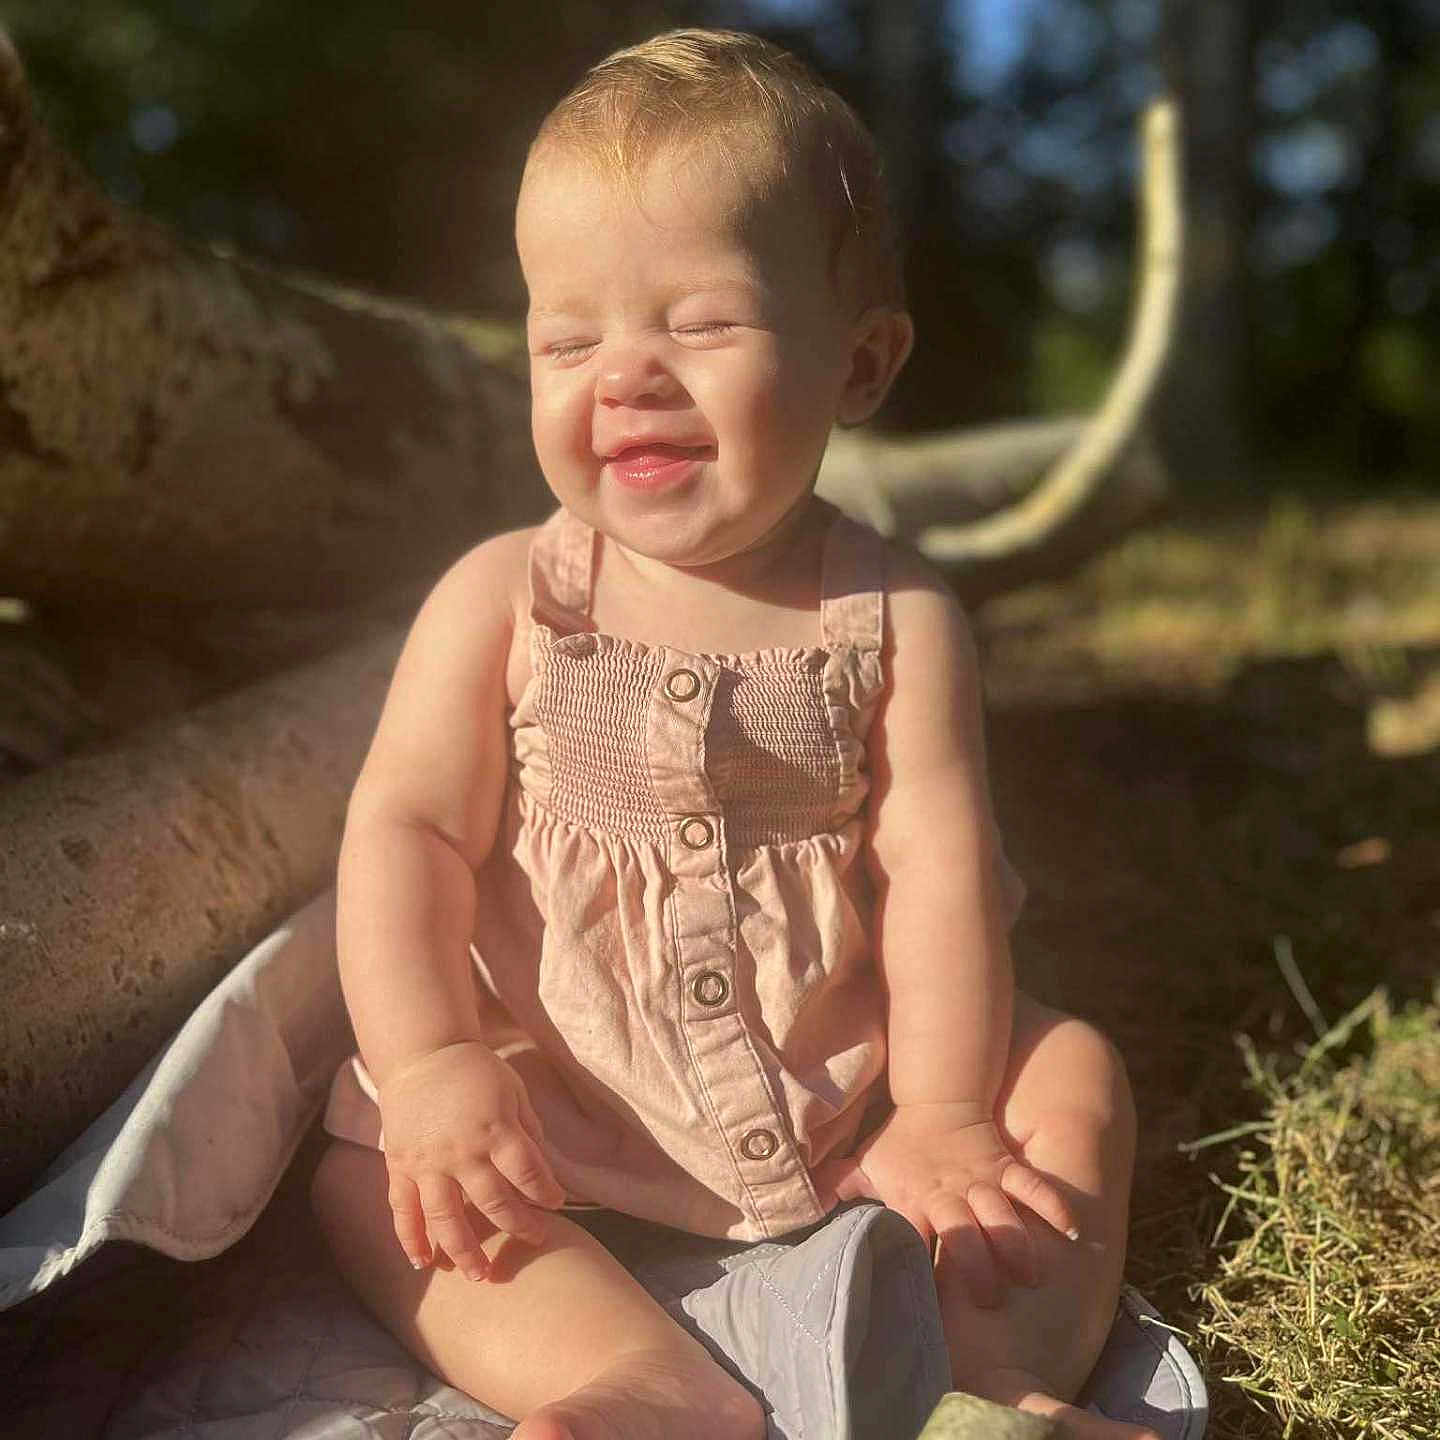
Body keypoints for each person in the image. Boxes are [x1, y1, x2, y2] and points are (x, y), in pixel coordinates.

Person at [310, 29, 1156, 1440]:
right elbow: (405, 833)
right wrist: (433, 1064)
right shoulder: (503, 600)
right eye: (568, 340)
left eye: (700, 325)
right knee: (367, 1170)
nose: (627, 376)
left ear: (860, 365)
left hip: (850, 1087)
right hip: (567, 1090)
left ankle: (982, 1384)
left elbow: (940, 872)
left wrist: (945, 1112)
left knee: (1071, 1078)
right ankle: (639, 1384)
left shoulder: (898, 617)